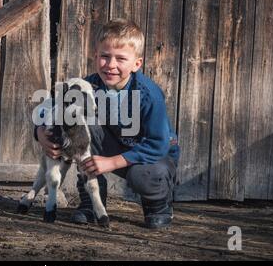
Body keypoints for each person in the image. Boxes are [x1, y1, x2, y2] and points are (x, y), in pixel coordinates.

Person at [35, 18, 180, 229]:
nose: (111, 65)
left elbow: (158, 144)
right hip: (112, 145)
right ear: (95, 56)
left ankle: (158, 204)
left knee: (145, 175)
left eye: (121, 59)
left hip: (152, 156)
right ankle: (91, 201)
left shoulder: (149, 95)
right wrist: (40, 132)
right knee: (81, 127)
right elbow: (50, 108)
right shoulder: (86, 86)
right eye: (105, 56)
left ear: (137, 64)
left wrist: (111, 162)